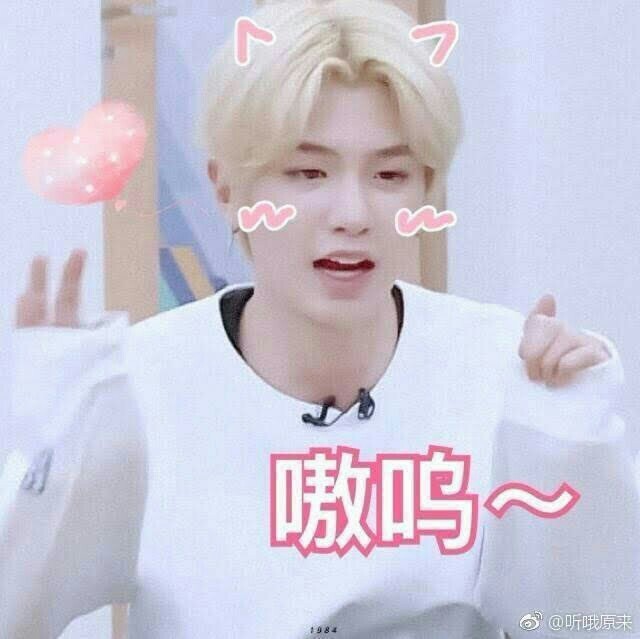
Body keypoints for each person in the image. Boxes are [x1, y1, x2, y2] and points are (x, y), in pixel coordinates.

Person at [2, 1, 639, 637]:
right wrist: (46, 462)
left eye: (389, 174)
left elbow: (588, 623)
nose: (352, 215)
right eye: (308, 172)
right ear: (227, 190)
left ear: (426, 189)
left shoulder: (502, 373)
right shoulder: (139, 387)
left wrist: (573, 449)